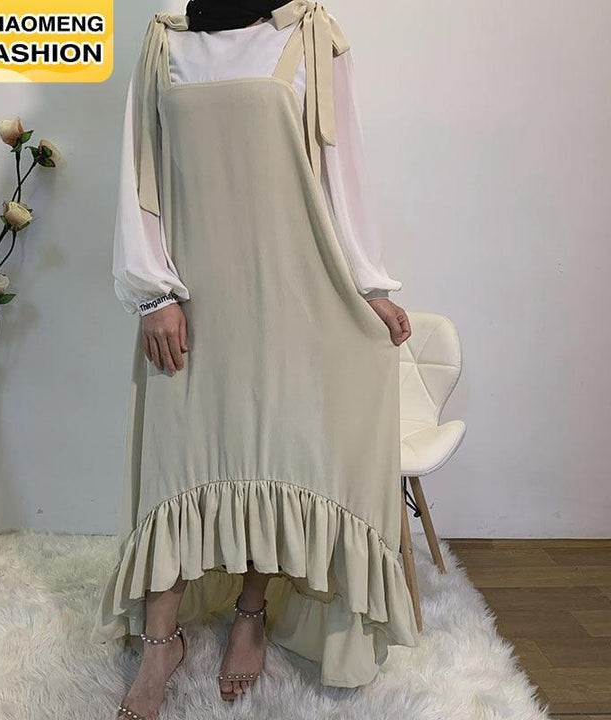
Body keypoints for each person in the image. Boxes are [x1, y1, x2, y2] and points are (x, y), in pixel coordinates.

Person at [91, 1, 419, 717]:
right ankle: (160, 644)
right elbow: (138, 177)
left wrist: (368, 284)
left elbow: (342, 175)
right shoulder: (164, 43)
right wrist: (153, 294)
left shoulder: (311, 37)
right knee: (178, 468)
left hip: (292, 297)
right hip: (192, 301)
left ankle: (250, 612)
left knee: (273, 458)